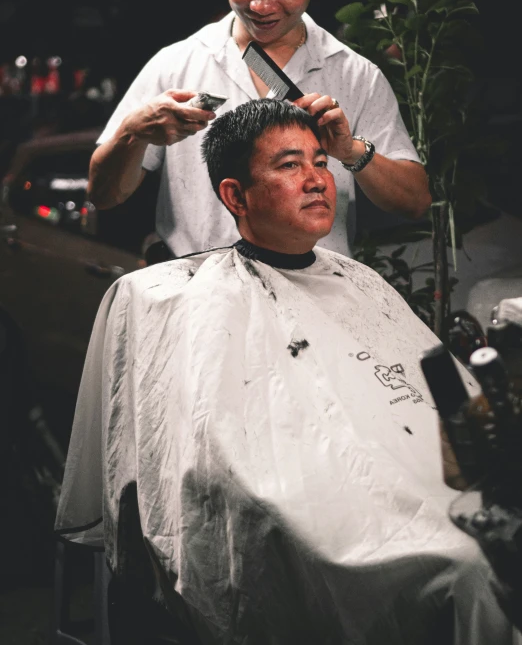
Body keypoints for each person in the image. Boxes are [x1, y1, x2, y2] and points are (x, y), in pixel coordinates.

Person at [58, 99, 517, 645]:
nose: (317, 180)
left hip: (429, 484)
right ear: (235, 196)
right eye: (289, 165)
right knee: (474, 564)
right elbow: (225, 464)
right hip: (331, 510)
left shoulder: (358, 280)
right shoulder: (213, 301)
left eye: (320, 162)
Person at [88, 0, 431, 260]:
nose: (262, 7)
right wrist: (133, 131)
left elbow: (414, 202)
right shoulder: (176, 64)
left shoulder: (356, 76)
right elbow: (103, 195)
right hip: (199, 303)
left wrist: (351, 151)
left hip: (315, 305)